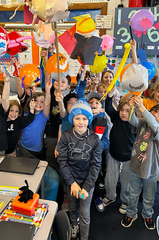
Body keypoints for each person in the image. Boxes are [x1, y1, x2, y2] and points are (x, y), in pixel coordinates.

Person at [121, 96, 159, 230]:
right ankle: (131, 213)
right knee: (133, 193)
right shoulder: (143, 122)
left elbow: (154, 124)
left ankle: (147, 214)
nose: (155, 114)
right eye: (155, 111)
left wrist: (142, 108)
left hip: (151, 170)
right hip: (135, 166)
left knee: (149, 196)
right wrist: (133, 106)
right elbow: (132, 120)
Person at [57, 99, 102, 240]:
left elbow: (96, 165)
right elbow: (62, 161)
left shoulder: (94, 139)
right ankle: (73, 227)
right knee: (72, 207)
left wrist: (87, 187)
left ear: (89, 120)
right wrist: (72, 183)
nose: (80, 122)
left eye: (84, 118)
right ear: (72, 119)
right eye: (77, 118)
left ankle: (84, 236)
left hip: (87, 183)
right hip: (72, 182)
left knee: (85, 213)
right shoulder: (66, 136)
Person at [121, 81, 159, 183]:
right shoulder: (145, 102)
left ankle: (156, 171)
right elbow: (125, 103)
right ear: (153, 92)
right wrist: (134, 94)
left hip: (155, 141)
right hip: (141, 135)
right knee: (139, 156)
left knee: (152, 160)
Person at [101, 93, 136, 214]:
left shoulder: (134, 124)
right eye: (122, 110)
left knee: (126, 181)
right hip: (113, 154)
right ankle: (110, 196)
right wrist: (109, 97)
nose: (124, 113)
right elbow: (109, 108)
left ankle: (125, 201)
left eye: (127, 111)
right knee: (110, 178)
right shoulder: (116, 118)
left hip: (128, 158)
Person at [86, 92, 111, 211]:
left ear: (102, 109)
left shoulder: (102, 122)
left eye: (97, 103)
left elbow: (106, 141)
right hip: (82, 157)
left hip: (95, 157)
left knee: (95, 177)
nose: (93, 104)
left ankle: (96, 196)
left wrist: (96, 146)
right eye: (90, 103)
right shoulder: (83, 120)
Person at [18, 78, 51, 159]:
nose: (38, 103)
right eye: (36, 100)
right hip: (23, 147)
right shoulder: (26, 112)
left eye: (42, 101)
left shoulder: (44, 115)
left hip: (37, 150)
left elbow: (47, 104)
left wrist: (47, 90)